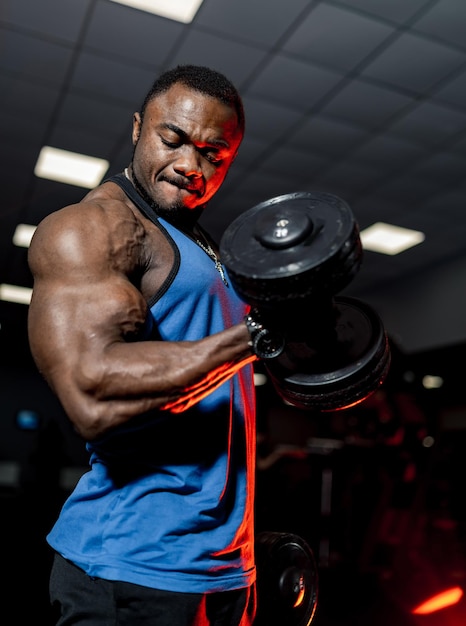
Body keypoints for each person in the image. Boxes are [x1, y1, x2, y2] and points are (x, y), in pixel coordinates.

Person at [28, 64, 263, 626]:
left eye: (214, 154)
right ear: (138, 127)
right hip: (131, 565)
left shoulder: (200, 243)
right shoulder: (93, 228)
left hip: (221, 564)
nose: (190, 166)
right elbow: (93, 389)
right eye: (173, 140)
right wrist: (255, 337)